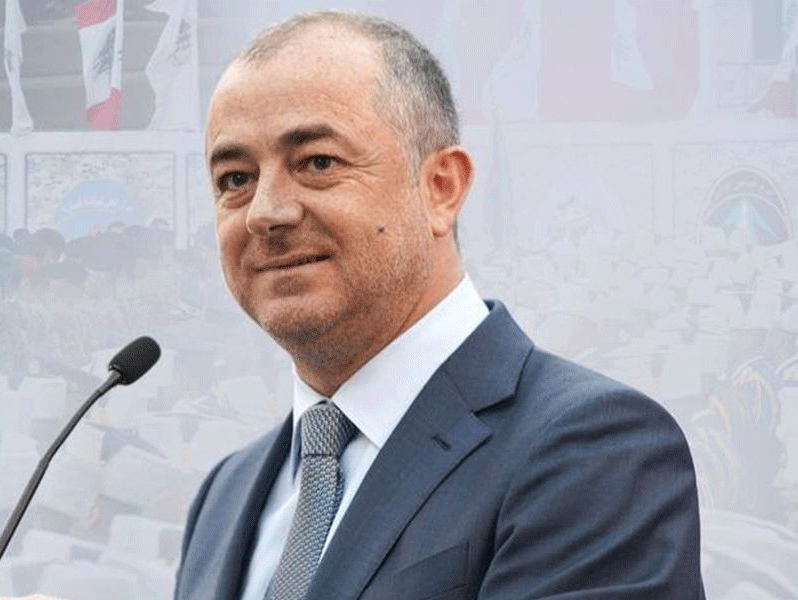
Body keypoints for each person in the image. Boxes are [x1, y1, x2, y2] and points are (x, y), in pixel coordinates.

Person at [173, 11, 704, 600]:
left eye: (318, 163)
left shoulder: (594, 451)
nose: (266, 212)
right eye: (234, 179)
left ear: (441, 188)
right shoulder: (226, 495)